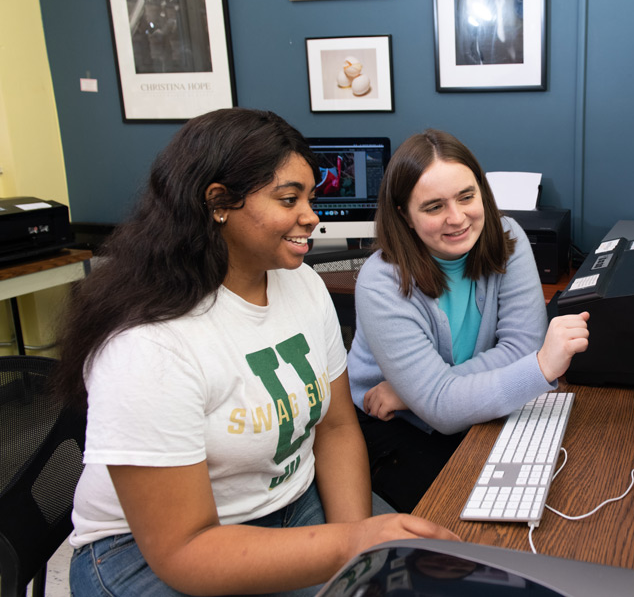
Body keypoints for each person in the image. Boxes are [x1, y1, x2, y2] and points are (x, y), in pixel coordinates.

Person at [51, 108, 457, 597]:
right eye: (289, 199)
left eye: (311, 197)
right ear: (218, 203)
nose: (311, 216)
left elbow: (337, 426)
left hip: (289, 503)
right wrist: (346, 545)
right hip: (152, 555)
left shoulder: (302, 284)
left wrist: (356, 552)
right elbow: (185, 551)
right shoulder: (147, 344)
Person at [347, 129, 590, 512]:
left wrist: (415, 395)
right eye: (433, 207)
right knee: (466, 515)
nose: (457, 218)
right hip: (392, 423)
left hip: (426, 404)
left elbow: (519, 348)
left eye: (466, 196)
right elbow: (445, 408)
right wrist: (540, 367)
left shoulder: (509, 239)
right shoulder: (381, 282)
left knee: (562, 480)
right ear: (403, 215)